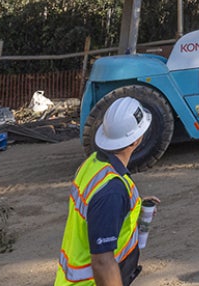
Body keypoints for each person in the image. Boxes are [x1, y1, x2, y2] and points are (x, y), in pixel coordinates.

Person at [55, 96, 160, 285]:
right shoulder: (112, 191)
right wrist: (117, 202)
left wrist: (130, 207)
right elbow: (102, 262)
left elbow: (94, 210)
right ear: (136, 139)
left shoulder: (93, 164)